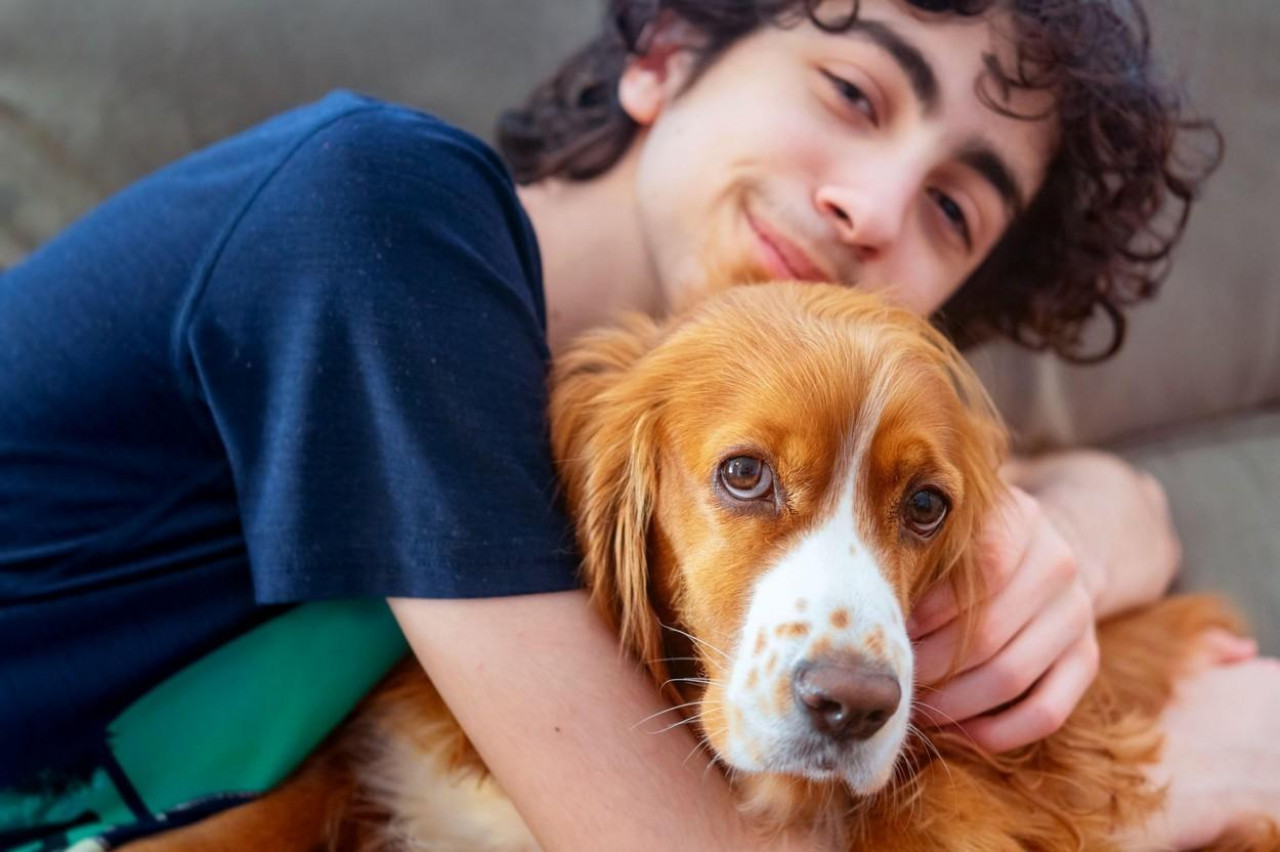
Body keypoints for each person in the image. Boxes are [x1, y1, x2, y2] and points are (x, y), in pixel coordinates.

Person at [1, 0, 1273, 849]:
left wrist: (1101, 513)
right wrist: (1155, 793)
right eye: (851, 91)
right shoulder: (381, 219)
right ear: (661, 50)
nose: (876, 206)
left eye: (953, 212)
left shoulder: (625, 470)